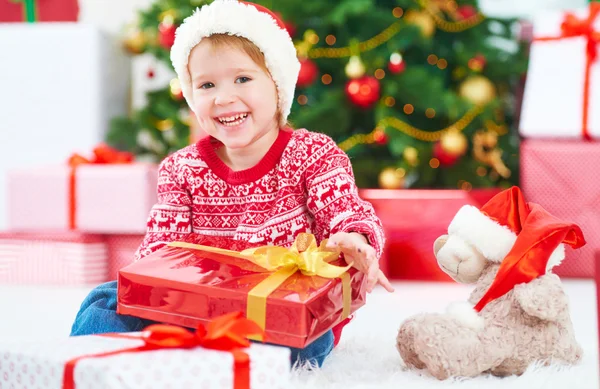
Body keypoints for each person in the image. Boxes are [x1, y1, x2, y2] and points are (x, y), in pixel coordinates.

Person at [70, 0, 394, 368]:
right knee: (105, 301)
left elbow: (346, 212)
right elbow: (159, 250)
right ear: (193, 97)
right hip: (192, 303)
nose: (224, 98)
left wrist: (354, 240)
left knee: (303, 339)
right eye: (207, 84)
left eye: (242, 78)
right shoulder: (181, 169)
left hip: (280, 305)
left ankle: (204, 359)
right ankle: (101, 365)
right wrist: (158, 295)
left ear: (277, 84)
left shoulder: (313, 153)